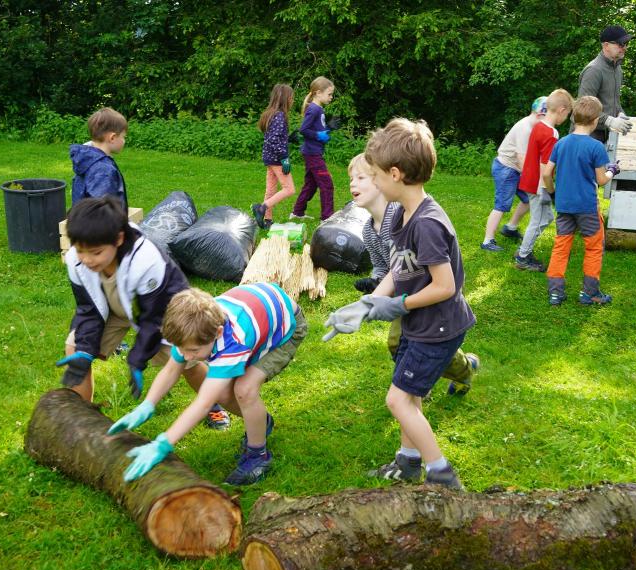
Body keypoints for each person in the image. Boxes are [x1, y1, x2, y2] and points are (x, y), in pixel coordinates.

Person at [327, 118, 476, 490]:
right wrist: (367, 304)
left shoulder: (427, 223)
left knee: (398, 400)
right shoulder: (402, 216)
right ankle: (408, 463)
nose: (373, 182)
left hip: (437, 329)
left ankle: (441, 473)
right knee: (409, 396)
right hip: (419, 326)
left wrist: (398, 306)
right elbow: (398, 267)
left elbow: (445, 286)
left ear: (395, 174)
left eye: (375, 175)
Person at [55, 197, 230, 429]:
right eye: (80, 251)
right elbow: (88, 310)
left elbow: (151, 321)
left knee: (186, 360)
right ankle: (83, 421)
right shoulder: (76, 260)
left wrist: (137, 360)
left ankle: (212, 404)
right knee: (76, 348)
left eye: (95, 252)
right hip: (111, 305)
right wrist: (86, 353)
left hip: (158, 310)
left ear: (118, 239)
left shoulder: (145, 260)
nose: (86, 259)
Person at [108, 283, 307, 486]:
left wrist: (163, 443)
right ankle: (261, 422)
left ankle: (258, 456)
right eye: (182, 349)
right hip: (260, 311)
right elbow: (171, 369)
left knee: (244, 390)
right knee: (223, 392)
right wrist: (147, 405)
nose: (186, 356)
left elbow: (203, 403)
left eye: (193, 351)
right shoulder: (190, 331)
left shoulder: (231, 343)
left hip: (287, 328)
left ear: (218, 333)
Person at [349, 153, 479, 396]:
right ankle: (415, 386)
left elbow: (442, 283)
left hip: (427, 302)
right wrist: (371, 296)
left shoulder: (408, 217)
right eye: (351, 179)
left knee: (403, 354)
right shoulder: (368, 230)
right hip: (405, 297)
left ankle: (457, 372)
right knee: (399, 345)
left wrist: (395, 303)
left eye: (363, 177)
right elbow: (388, 266)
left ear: (390, 177)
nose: (352, 184)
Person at [544, 96, 620, 306]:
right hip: (587, 207)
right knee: (594, 247)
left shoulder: (562, 143)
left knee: (561, 246)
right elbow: (601, 180)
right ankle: (589, 293)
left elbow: (547, 173)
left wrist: (553, 194)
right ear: (595, 120)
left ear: (574, 117)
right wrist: (613, 170)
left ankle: (555, 293)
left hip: (564, 205)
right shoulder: (596, 147)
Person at [514, 89, 574, 272]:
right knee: (538, 221)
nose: (566, 118)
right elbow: (545, 165)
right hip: (537, 184)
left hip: (529, 180)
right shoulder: (551, 133)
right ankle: (523, 257)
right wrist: (547, 190)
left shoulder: (538, 126)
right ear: (562, 110)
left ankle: (523, 251)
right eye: (568, 114)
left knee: (545, 218)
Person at [481, 96, 548, 252]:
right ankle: (487, 240)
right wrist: (536, 180)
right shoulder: (525, 128)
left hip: (516, 169)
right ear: (540, 114)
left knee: (527, 199)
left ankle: (510, 228)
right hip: (507, 169)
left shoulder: (535, 127)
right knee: (502, 205)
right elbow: (522, 159)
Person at [576, 25, 635, 144]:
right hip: (586, 138)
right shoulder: (594, 70)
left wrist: (620, 113)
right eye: (620, 44)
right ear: (606, 45)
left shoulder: (617, 69)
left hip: (606, 137)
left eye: (626, 44)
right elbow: (582, 108)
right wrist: (609, 120)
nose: (625, 48)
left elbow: (613, 102)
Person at [290, 76, 337, 222]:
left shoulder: (319, 109)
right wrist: (318, 135)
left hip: (313, 152)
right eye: (329, 94)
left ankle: (297, 212)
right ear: (318, 93)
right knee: (327, 185)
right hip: (313, 154)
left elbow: (317, 130)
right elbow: (304, 129)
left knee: (311, 184)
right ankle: (327, 217)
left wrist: (328, 129)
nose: (331, 97)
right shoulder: (314, 109)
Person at [252, 84, 296, 230]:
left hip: (270, 158)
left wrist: (289, 138)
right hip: (277, 158)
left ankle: (268, 220)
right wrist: (284, 158)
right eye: (291, 97)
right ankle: (262, 208)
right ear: (284, 99)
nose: (292, 100)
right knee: (289, 189)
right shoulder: (280, 115)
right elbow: (274, 140)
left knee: (270, 189)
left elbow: (273, 136)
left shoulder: (271, 113)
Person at [70, 107, 129, 211]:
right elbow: (104, 210)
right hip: (99, 225)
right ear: (112, 138)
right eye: (124, 137)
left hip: (82, 220)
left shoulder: (86, 159)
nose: (124, 141)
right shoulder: (103, 169)